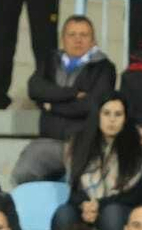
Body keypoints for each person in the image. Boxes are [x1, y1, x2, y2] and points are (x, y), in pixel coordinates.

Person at [12, 14, 118, 184]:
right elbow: (35, 88)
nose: (78, 40)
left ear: (93, 40)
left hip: (83, 144)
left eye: (84, 35)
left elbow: (91, 105)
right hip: (48, 141)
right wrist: (72, 93)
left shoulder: (104, 67)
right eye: (72, 35)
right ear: (63, 39)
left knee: (79, 186)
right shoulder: (50, 60)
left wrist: (51, 106)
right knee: (22, 174)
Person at [50, 94, 142, 230]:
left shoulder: (141, 144)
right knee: (64, 213)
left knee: (111, 213)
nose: (112, 120)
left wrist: (100, 204)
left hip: (123, 208)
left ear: (125, 118)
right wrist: (85, 205)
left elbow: (137, 194)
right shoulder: (79, 142)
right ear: (97, 115)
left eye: (118, 114)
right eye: (106, 114)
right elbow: (74, 191)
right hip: (90, 207)